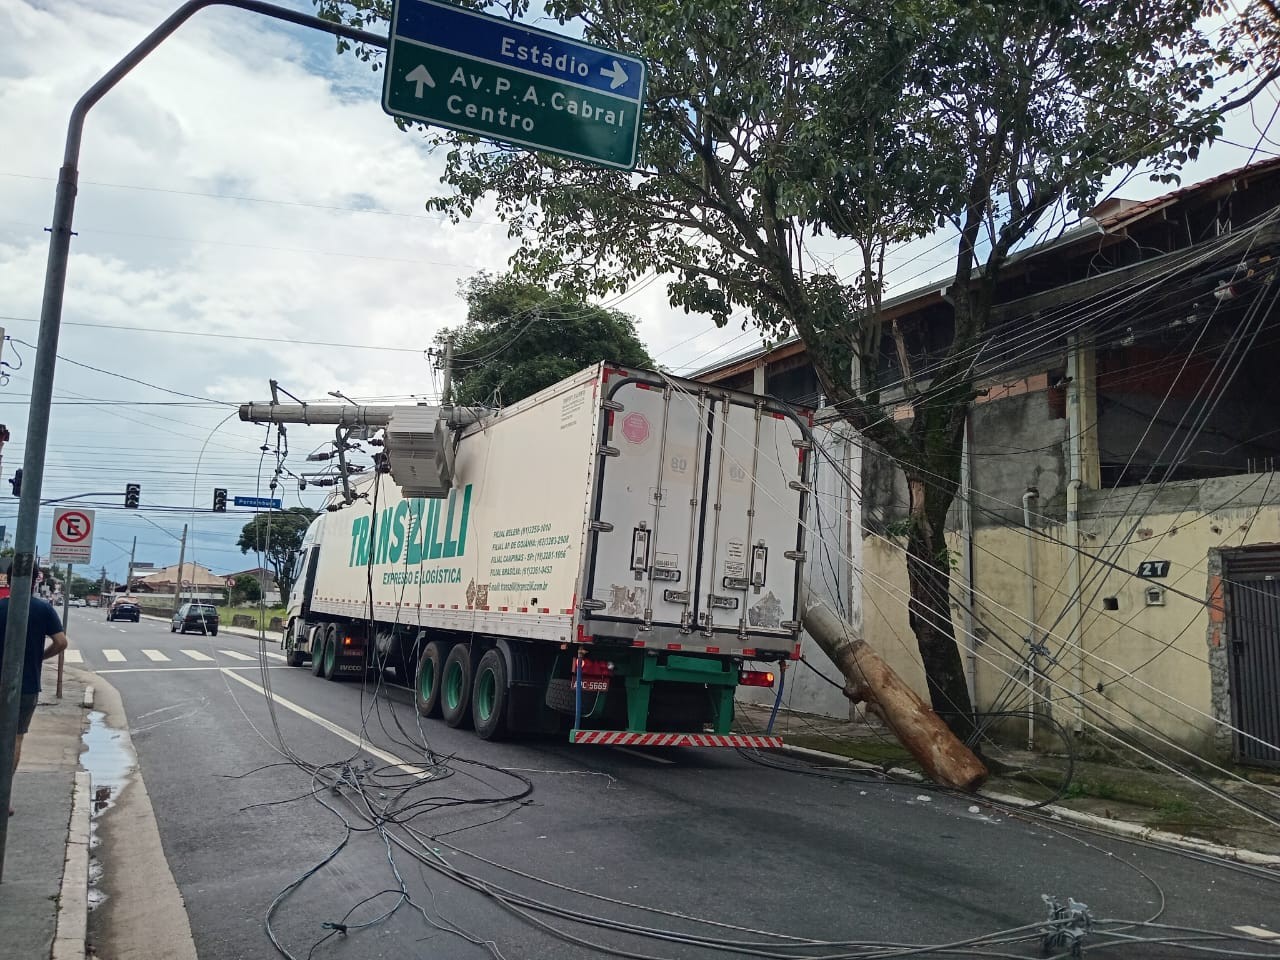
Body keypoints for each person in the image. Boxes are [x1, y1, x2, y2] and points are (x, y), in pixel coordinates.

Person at [0, 565, 68, 815]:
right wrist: (39, 656)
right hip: (26, 685)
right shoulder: (42, 609)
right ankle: (3, 799)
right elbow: (61, 642)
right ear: (35, 581)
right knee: (15, 739)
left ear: (8, 579)